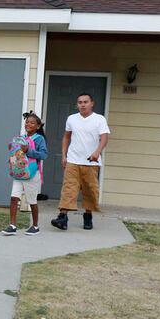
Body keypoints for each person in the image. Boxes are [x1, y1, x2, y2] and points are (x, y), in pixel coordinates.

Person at [51, 93, 110, 231]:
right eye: (80, 102)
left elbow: (104, 138)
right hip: (73, 160)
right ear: (77, 104)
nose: (82, 104)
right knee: (69, 188)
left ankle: (88, 216)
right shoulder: (71, 119)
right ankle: (62, 217)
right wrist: (64, 155)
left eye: (85, 102)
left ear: (91, 103)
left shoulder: (99, 119)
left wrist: (97, 152)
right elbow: (66, 137)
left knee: (89, 190)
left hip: (91, 162)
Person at [2, 112, 48, 236]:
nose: (28, 124)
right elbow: (17, 153)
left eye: (32, 123)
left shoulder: (39, 139)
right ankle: (12, 225)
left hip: (32, 174)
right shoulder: (21, 138)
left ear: (38, 126)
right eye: (27, 122)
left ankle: (35, 226)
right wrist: (13, 156)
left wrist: (29, 150)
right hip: (19, 172)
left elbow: (43, 155)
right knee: (14, 198)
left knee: (32, 201)